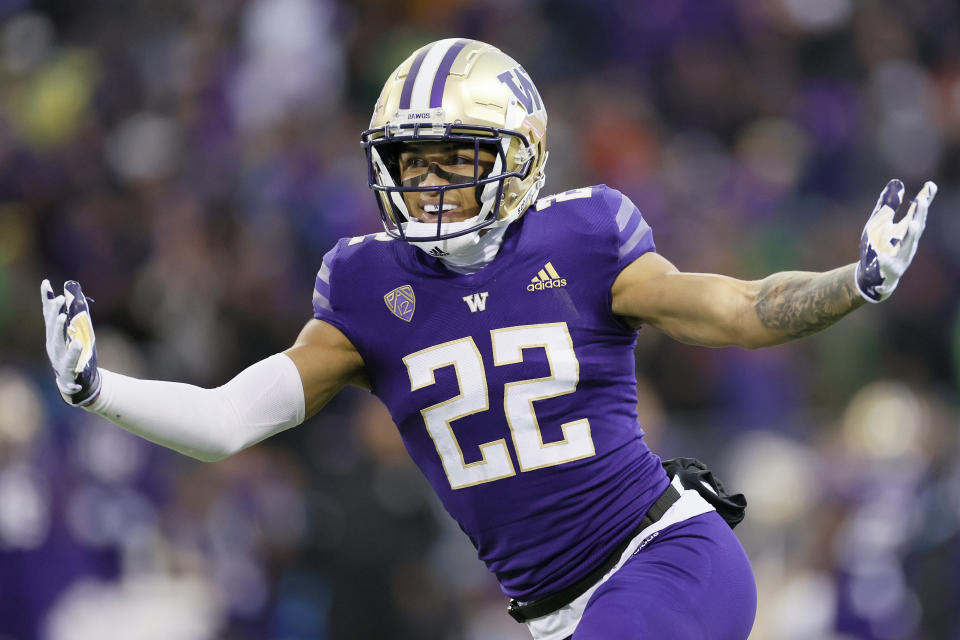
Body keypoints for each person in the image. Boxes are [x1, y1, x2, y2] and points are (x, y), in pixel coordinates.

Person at [41, 39, 936, 640]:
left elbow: (739, 308)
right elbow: (229, 419)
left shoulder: (585, 240)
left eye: (454, 160)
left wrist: (852, 283)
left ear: (522, 154)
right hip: (552, 612)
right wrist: (96, 388)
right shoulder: (364, 287)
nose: (427, 185)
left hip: (665, 555)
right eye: (410, 162)